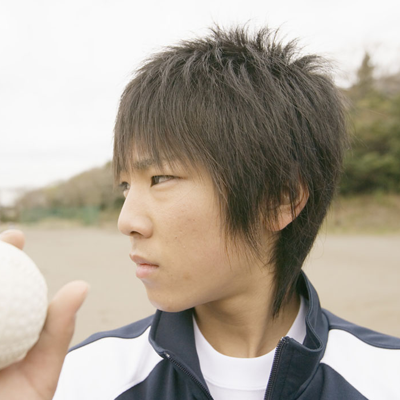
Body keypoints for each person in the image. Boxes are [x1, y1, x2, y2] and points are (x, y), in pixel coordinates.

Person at [1, 26, 399, 400]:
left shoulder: (384, 377)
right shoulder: (81, 380)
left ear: (280, 200)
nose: (127, 221)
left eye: (160, 178)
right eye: (125, 186)